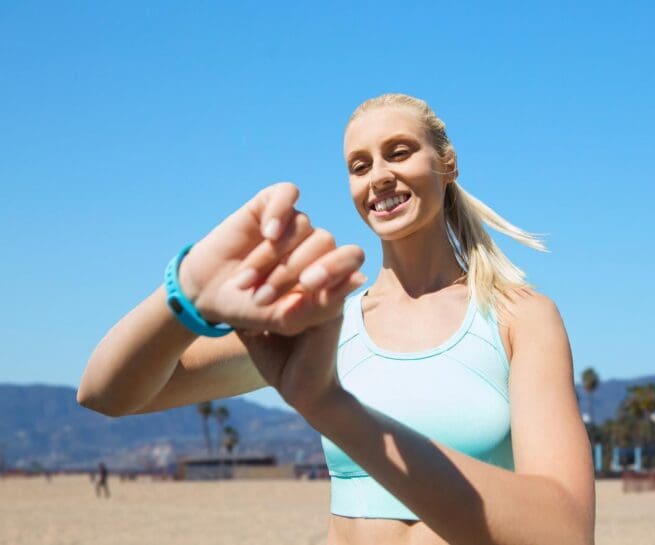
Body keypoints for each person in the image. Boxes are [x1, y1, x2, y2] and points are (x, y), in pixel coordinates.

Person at [77, 93, 595, 544]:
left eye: (399, 152)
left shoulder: (517, 317)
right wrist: (186, 292)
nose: (380, 176)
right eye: (360, 165)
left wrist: (330, 406)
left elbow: (564, 532)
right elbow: (106, 393)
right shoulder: (326, 324)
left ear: (448, 162)